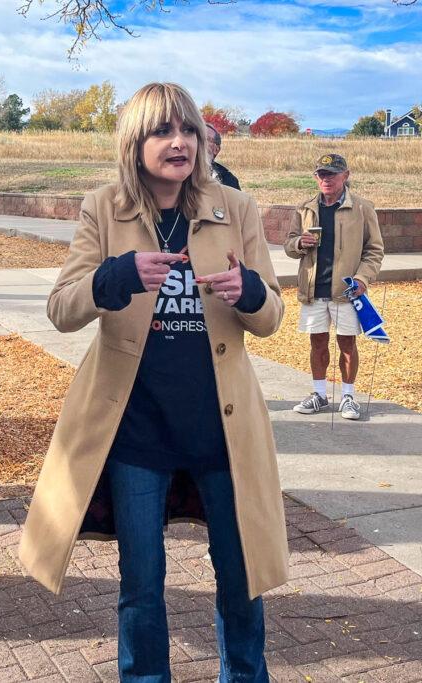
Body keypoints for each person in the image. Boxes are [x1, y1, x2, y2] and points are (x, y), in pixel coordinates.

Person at [19, 83, 288, 681]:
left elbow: (270, 316)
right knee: (142, 582)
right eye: (164, 131)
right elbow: (62, 309)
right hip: (136, 432)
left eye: (189, 130)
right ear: (135, 142)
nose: (180, 143)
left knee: (241, 578)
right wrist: (116, 276)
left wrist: (246, 291)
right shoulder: (103, 208)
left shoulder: (233, 208)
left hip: (222, 432)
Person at [284, 154, 384, 420]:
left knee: (347, 344)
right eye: (321, 174)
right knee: (317, 342)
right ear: (316, 177)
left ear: (346, 176)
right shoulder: (304, 208)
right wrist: (298, 244)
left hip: (346, 291)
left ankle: (349, 397)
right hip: (314, 288)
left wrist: (362, 279)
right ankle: (319, 394)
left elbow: (374, 250)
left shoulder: (363, 208)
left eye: (332, 174)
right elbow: (289, 244)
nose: (326, 179)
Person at [206, 122, 240, 190]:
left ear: (216, 149)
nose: (198, 142)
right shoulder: (180, 176)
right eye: (196, 137)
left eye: (206, 139)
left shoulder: (229, 182)